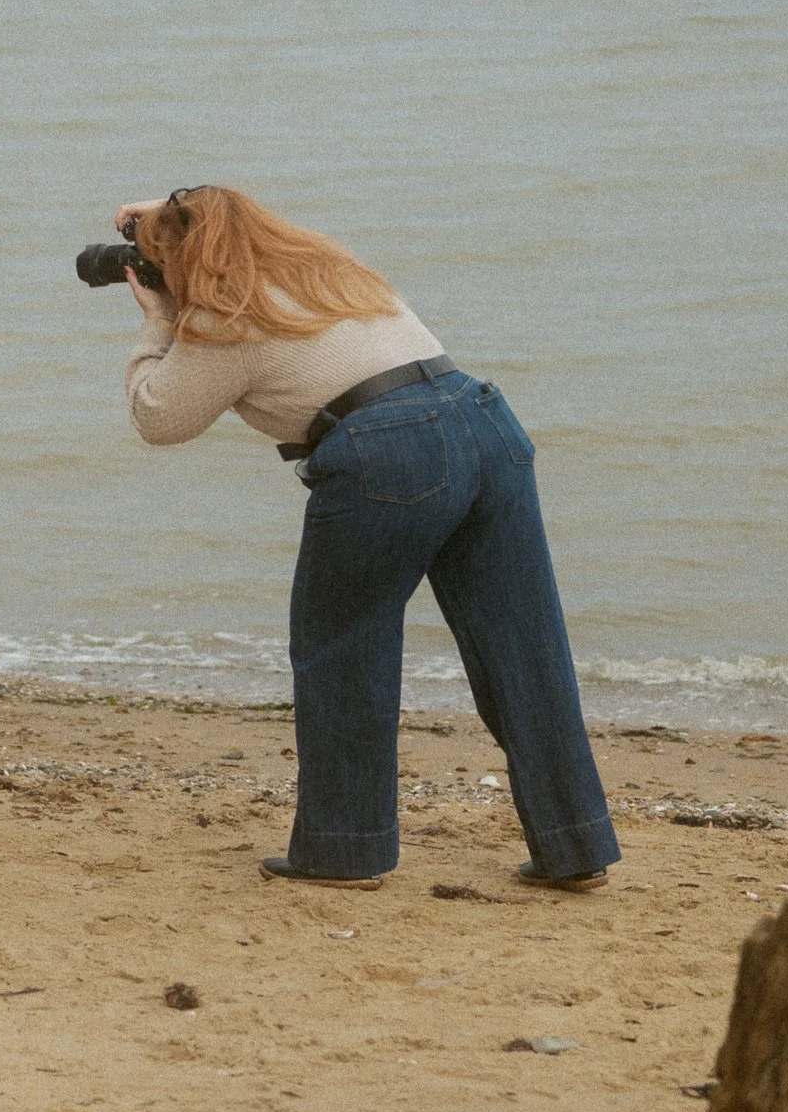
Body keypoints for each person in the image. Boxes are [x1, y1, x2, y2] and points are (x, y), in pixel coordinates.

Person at [116, 186, 619, 891]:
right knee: (523, 650)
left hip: (387, 449)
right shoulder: (329, 273)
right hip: (484, 421)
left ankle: (345, 850)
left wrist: (159, 322)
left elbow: (158, 417)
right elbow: (215, 218)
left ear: (180, 262)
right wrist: (164, 218)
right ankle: (576, 849)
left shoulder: (223, 318)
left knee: (342, 650)